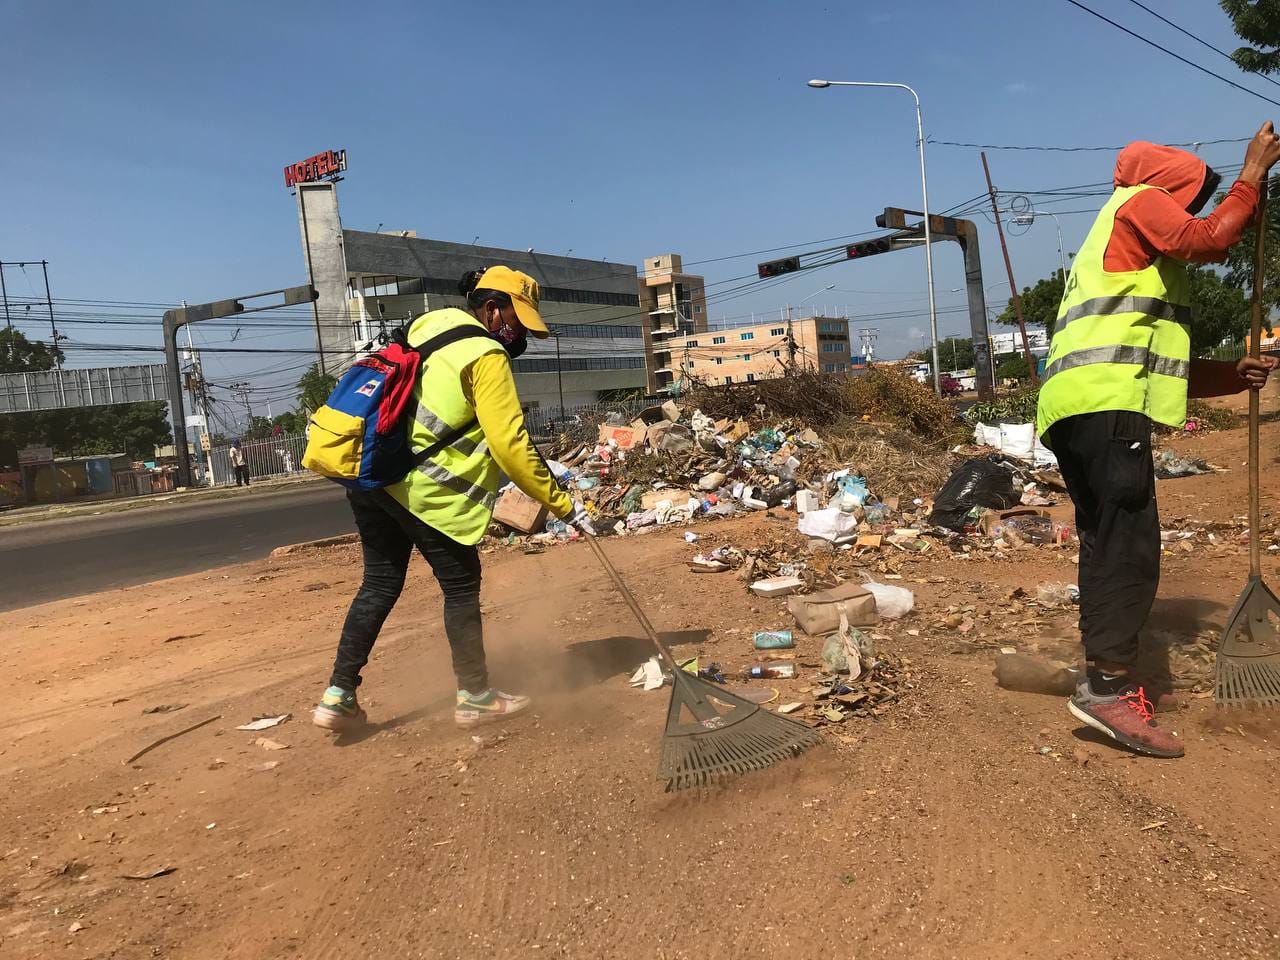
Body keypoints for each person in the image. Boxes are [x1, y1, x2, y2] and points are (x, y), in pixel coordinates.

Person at [1037, 123, 1280, 758]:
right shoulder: (1138, 200)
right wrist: (1253, 174)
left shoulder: (1129, 249)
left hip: (1082, 408)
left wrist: (1232, 375)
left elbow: (1148, 356)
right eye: (1191, 196)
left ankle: (1103, 672)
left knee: (1106, 539)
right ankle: (1108, 688)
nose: (1191, 210)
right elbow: (1206, 240)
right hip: (1105, 407)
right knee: (1132, 546)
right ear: (1170, 183)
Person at [312, 265, 594, 732]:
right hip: (425, 493)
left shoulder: (430, 324)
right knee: (461, 586)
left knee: (380, 584)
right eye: (517, 318)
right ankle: (475, 695)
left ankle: (338, 694)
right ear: (490, 308)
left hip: (374, 475)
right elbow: (511, 446)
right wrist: (563, 504)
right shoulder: (485, 354)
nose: (520, 331)